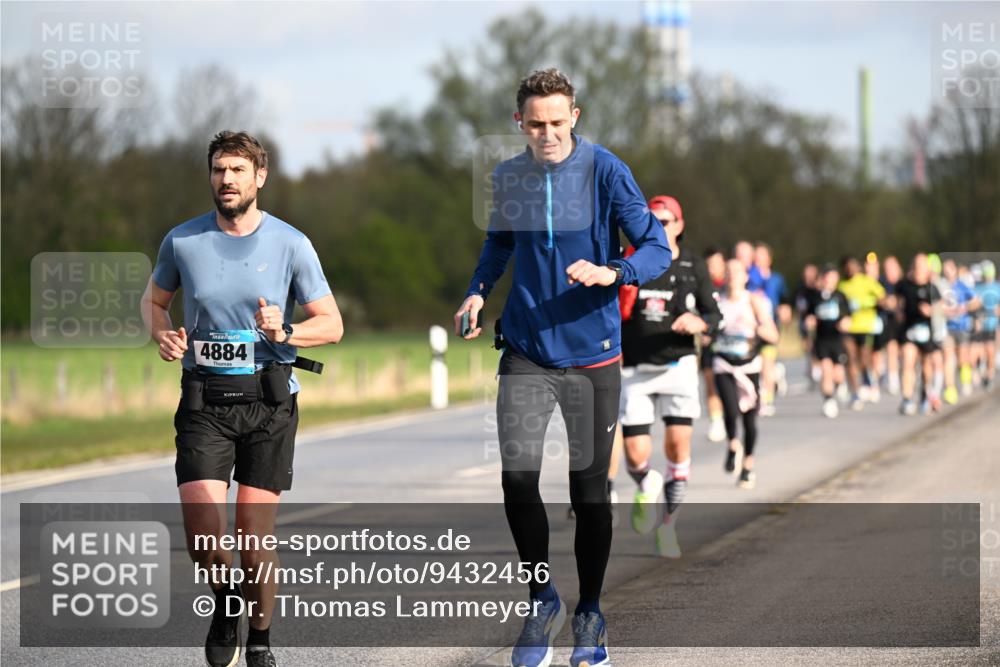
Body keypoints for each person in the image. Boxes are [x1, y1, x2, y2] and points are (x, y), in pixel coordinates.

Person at [454, 68, 670, 667]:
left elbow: (656, 247)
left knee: (588, 488)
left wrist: (614, 273)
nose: (546, 133)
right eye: (535, 124)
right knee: (518, 477)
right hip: (526, 348)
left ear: (575, 116)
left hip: (594, 354)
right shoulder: (510, 175)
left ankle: (592, 614)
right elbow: (499, 242)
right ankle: (541, 598)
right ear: (517, 123)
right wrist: (477, 291)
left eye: (556, 122)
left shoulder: (605, 169)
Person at [142, 131, 343, 667]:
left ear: (260, 177)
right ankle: (228, 601)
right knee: (203, 533)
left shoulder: (291, 243)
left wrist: (286, 331)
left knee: (253, 537)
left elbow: (332, 324)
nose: (225, 179)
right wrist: (161, 331)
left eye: (236, 170)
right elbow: (154, 301)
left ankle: (260, 638)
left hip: (269, 402)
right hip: (204, 401)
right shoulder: (182, 242)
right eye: (217, 170)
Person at [617, 195, 721, 557]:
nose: (658, 227)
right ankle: (647, 481)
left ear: (679, 225)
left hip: (678, 366)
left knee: (678, 446)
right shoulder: (630, 258)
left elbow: (713, 313)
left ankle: (668, 527)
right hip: (634, 366)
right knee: (635, 454)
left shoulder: (693, 264)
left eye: (665, 221)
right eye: (652, 220)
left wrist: (701, 323)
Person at [713, 259, 779, 489]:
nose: (732, 276)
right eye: (728, 272)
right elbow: (707, 330)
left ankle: (748, 466)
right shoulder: (717, 301)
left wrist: (755, 326)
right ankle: (733, 445)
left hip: (749, 366)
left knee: (750, 420)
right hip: (723, 363)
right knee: (730, 410)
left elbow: (773, 334)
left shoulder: (754, 301)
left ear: (745, 276)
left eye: (737, 272)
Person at [837, 255, 886, 410]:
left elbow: (883, 298)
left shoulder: (867, 281)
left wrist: (867, 303)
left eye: (853, 266)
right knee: (850, 358)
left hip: (865, 326)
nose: (850, 269)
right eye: (847, 267)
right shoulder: (842, 286)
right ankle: (856, 392)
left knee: (864, 358)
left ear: (858, 267)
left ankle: (870, 381)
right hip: (848, 327)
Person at [897, 253, 942, 415]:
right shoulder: (904, 285)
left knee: (926, 367)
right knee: (908, 361)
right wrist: (898, 310)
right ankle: (907, 399)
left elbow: (942, 307)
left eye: (922, 266)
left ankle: (925, 395)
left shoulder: (932, 287)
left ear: (927, 269)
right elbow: (896, 301)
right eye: (916, 266)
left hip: (927, 333)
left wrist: (931, 311)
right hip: (909, 331)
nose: (918, 270)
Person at [804, 265, 851, 418]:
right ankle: (828, 400)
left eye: (833, 278)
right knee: (826, 369)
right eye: (827, 278)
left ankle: (840, 385)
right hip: (822, 339)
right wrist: (809, 322)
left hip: (837, 339)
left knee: (838, 373)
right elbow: (809, 315)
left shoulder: (840, 296)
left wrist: (845, 323)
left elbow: (847, 316)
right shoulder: (815, 297)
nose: (830, 281)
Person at [753, 242, 791, 416]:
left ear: (769, 259)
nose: (758, 259)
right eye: (756, 255)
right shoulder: (749, 276)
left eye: (762, 255)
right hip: (753, 327)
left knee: (766, 364)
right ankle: (776, 375)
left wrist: (785, 310)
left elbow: (785, 300)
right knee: (758, 365)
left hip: (770, 328)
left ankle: (766, 401)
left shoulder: (777, 279)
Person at [941, 258, 979, 403]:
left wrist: (965, 308)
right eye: (945, 268)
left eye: (949, 268)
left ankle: (965, 381)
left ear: (955, 270)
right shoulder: (942, 286)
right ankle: (950, 389)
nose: (947, 271)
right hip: (947, 327)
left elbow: (976, 301)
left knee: (963, 357)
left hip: (962, 327)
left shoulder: (962, 286)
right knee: (948, 357)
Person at [701, 246, 728, 442]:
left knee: (728, 384)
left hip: (731, 344)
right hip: (709, 342)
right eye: (709, 265)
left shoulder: (731, 285)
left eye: (717, 264)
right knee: (710, 382)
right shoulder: (701, 287)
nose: (713, 268)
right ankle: (716, 421)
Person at [880, 255, 905, 395]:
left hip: (904, 321)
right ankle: (893, 379)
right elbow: (880, 299)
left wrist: (897, 303)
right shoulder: (882, 283)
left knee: (903, 351)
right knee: (891, 347)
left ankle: (906, 372)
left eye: (892, 268)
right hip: (889, 321)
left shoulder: (904, 282)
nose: (889, 271)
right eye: (887, 269)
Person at [793, 263, 821, 388]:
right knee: (807, 346)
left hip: (817, 321)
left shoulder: (818, 289)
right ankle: (811, 369)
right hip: (804, 321)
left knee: (816, 346)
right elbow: (797, 305)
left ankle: (816, 370)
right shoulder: (800, 289)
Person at [973, 260, 999, 391]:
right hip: (979, 325)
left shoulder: (997, 287)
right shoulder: (977, 287)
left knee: (990, 351)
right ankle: (981, 370)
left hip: (992, 325)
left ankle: (989, 376)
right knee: (978, 352)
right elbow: (972, 305)